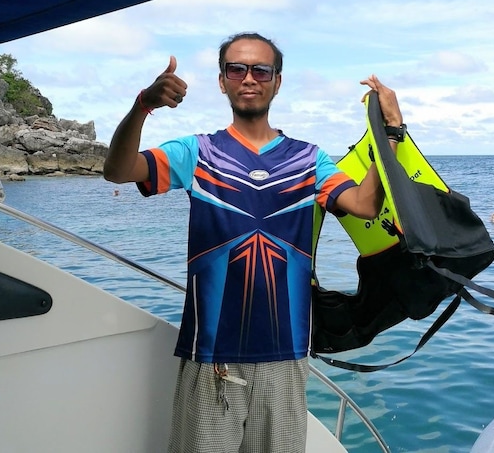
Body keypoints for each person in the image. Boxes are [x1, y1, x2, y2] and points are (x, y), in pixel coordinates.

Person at [103, 32, 403, 453]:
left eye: (261, 70)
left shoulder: (309, 159)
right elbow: (118, 171)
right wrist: (143, 106)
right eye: (237, 69)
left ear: (277, 82)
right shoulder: (197, 152)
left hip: (287, 351)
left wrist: (391, 129)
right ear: (222, 80)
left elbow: (366, 204)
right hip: (211, 353)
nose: (249, 78)